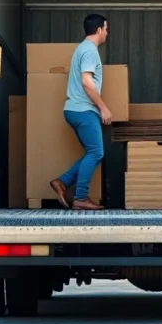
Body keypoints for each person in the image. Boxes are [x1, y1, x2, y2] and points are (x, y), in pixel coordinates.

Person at [49, 14, 111, 211]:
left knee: (92, 152)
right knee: (96, 152)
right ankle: (81, 198)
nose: (107, 33)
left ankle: (62, 182)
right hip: (84, 110)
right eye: (106, 29)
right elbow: (86, 81)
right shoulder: (90, 51)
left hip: (74, 110)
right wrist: (103, 107)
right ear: (99, 30)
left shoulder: (82, 49)